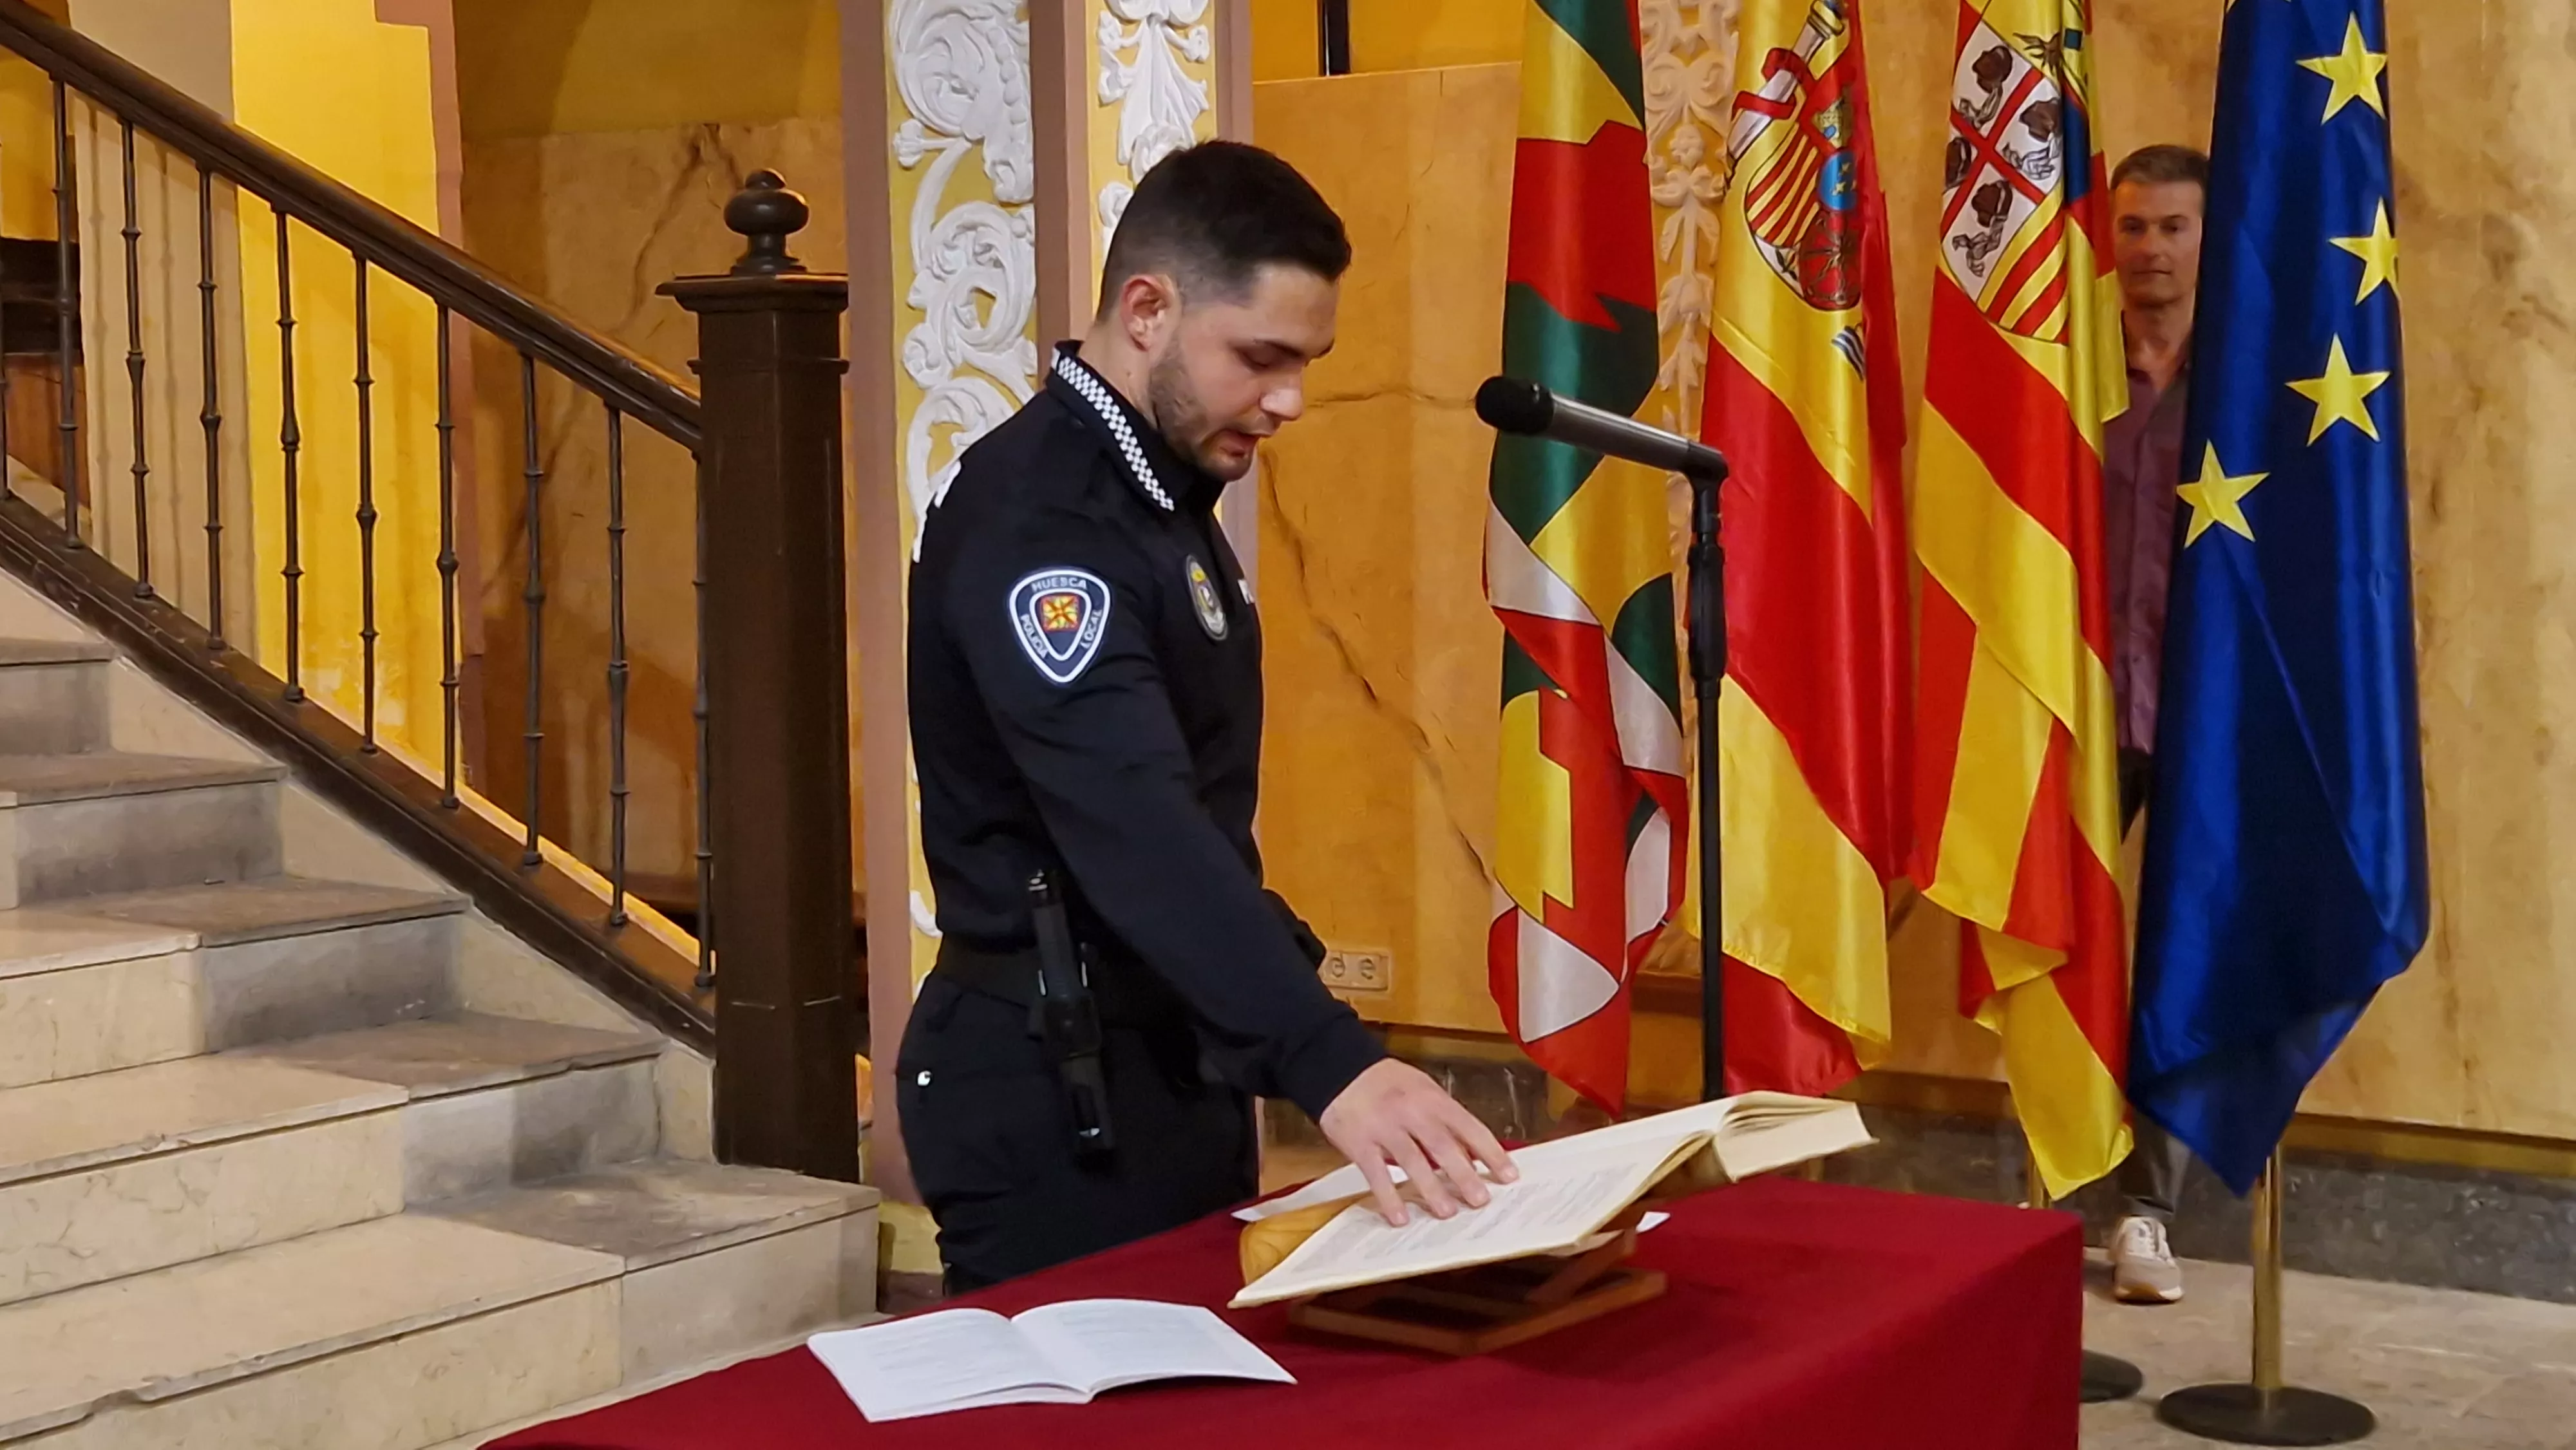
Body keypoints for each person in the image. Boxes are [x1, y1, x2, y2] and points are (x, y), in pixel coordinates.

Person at [900, 140, 1516, 1292]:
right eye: (1263, 358)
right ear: (1148, 309)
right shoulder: (1047, 521)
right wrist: (1335, 1062)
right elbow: (1136, 828)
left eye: (1307, 362)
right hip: (1052, 1087)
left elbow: (1197, 811)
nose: (1290, 401)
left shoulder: (1160, 495)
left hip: (1157, 1057)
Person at [2102, 142, 2208, 1306]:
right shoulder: (2063, 367)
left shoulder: (2253, 377)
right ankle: (2053, 1177)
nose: (2150, 251)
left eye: (2173, 228)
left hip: (2200, 709)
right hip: (2084, 700)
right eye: (2134, 228)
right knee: (2062, 941)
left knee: (2177, 966)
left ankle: (2147, 1214)